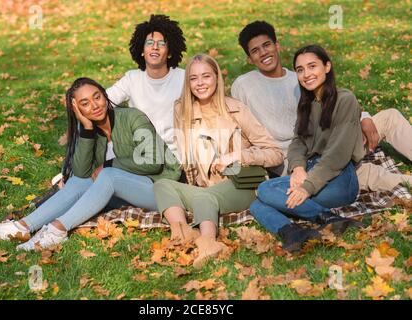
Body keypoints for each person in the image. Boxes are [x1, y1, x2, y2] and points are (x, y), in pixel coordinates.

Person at [0, 77, 181, 251]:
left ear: (105, 95)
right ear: (78, 110)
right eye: (84, 103)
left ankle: (58, 230)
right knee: (79, 180)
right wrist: (87, 129)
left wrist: (110, 165)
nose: (94, 106)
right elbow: (82, 173)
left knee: (107, 174)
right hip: (128, 194)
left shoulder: (133, 117)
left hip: (162, 191)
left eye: (97, 97)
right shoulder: (94, 132)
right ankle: (21, 227)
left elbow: (153, 162)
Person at [231, 20, 412, 191]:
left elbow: (336, 100)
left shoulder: (301, 77)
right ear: (249, 58)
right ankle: (403, 182)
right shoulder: (243, 85)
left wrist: (364, 117)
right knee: (363, 172)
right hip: (293, 159)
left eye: (267, 45)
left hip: (328, 138)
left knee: (390, 117)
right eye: (255, 50)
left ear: (277, 45)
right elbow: (240, 127)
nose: (263, 53)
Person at [153, 54, 284, 268]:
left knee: (204, 198)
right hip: (206, 188)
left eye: (206, 76)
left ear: (217, 78)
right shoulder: (182, 110)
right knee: (162, 185)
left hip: (241, 185)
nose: (200, 83)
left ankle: (209, 244)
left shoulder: (236, 109)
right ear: (188, 83)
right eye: (194, 78)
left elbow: (275, 153)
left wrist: (238, 155)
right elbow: (187, 159)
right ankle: (182, 233)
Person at [250, 45, 365, 253]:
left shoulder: (345, 99)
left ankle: (327, 218)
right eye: (300, 69)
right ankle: (293, 232)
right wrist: (298, 168)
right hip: (311, 172)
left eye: (312, 66)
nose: (306, 74)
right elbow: (297, 142)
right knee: (256, 204)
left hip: (339, 179)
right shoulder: (307, 102)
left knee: (266, 190)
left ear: (327, 67)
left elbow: (337, 156)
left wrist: (306, 187)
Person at [106, 14, 187, 158]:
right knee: (105, 150)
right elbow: (103, 102)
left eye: (162, 44)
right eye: (149, 42)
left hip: (174, 151)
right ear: (142, 51)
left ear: (169, 53)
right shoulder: (132, 78)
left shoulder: (183, 78)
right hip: (138, 148)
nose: (155, 47)